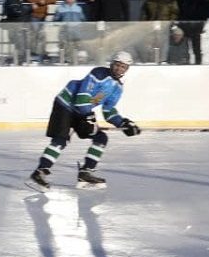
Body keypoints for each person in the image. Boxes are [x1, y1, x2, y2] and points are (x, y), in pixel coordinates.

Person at [27, 50, 141, 189]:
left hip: (83, 111)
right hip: (66, 104)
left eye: (123, 67)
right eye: (117, 65)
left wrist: (123, 123)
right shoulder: (99, 73)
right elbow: (82, 97)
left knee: (101, 138)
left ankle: (86, 173)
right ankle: (39, 172)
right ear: (111, 64)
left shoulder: (117, 88)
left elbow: (108, 110)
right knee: (61, 139)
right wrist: (89, 116)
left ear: (127, 69)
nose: (119, 69)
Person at [176, 0, 208, 64]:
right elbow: (178, 11)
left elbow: (204, 10)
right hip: (184, 26)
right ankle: (185, 62)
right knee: (184, 48)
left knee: (197, 47)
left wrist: (202, 23)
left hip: (196, 26)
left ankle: (198, 62)